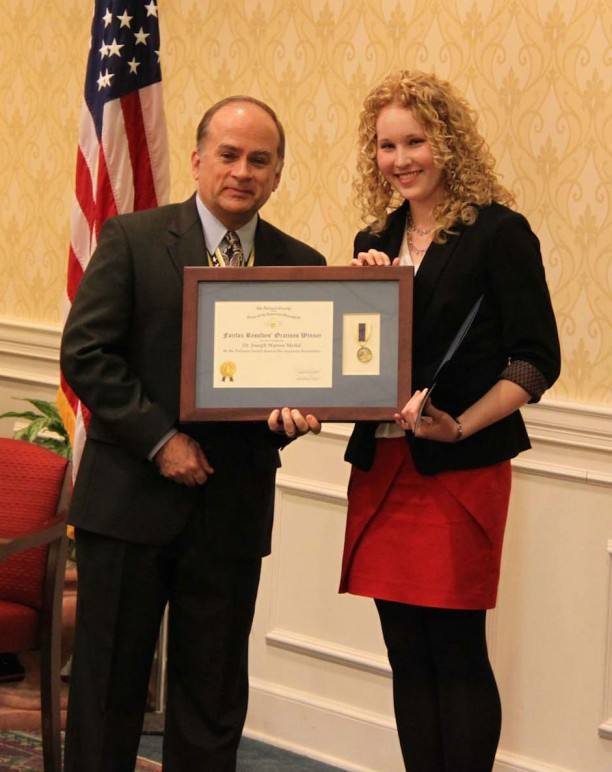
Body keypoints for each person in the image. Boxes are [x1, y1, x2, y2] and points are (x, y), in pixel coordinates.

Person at [60, 96, 325, 772]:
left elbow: (297, 391)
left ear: (278, 173)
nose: (242, 171)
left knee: (212, 702)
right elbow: (87, 356)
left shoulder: (302, 264)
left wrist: (296, 419)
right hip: (127, 504)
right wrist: (161, 441)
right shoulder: (132, 238)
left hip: (230, 513)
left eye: (259, 160)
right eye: (229, 155)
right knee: (108, 695)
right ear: (199, 158)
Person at [340, 71, 561, 772]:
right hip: (383, 470)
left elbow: (536, 361)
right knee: (405, 652)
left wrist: (460, 425)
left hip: (459, 470)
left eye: (415, 140)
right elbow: (360, 362)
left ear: (448, 143)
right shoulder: (373, 237)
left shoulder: (499, 232)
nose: (400, 159)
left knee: (456, 651)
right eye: (386, 145)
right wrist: (358, 290)